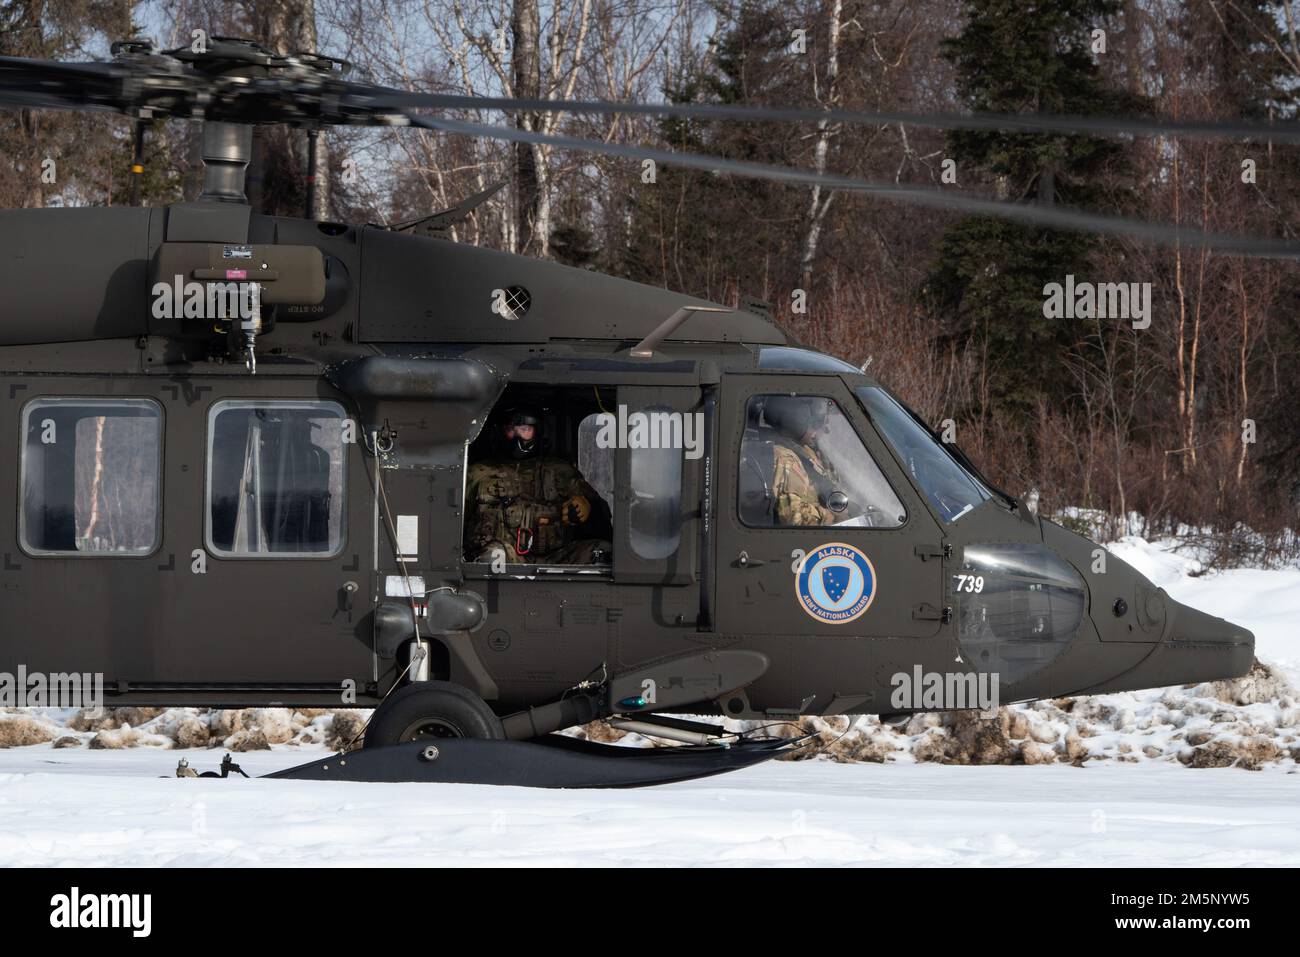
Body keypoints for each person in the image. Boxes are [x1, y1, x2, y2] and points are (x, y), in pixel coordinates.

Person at [464, 406, 611, 564]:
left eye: (525, 429)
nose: (517, 436)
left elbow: (603, 522)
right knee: (494, 556)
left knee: (601, 551)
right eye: (511, 429)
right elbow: (451, 518)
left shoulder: (560, 471)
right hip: (508, 562)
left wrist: (587, 508)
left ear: (539, 432)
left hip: (556, 559)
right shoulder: (478, 473)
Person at [763, 396, 841, 526]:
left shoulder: (807, 451)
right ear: (797, 421)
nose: (824, 430)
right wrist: (830, 517)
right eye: (816, 424)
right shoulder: (785, 458)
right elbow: (794, 516)